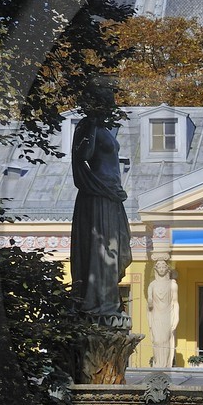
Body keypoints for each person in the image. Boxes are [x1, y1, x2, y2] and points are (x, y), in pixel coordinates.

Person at [69, 110, 131, 327]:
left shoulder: (105, 128)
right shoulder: (88, 127)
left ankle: (108, 302)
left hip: (112, 195)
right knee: (101, 249)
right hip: (98, 194)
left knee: (113, 249)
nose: (112, 104)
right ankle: (97, 304)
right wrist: (91, 126)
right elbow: (82, 156)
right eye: (106, 99)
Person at [146, 258, 179, 366]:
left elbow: (175, 302)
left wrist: (176, 318)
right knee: (156, 340)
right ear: (156, 269)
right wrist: (150, 302)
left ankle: (165, 365)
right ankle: (158, 364)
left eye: (163, 267)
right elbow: (149, 302)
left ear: (167, 268)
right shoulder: (152, 285)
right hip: (156, 315)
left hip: (167, 315)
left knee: (165, 340)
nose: (161, 269)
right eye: (159, 267)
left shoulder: (172, 284)